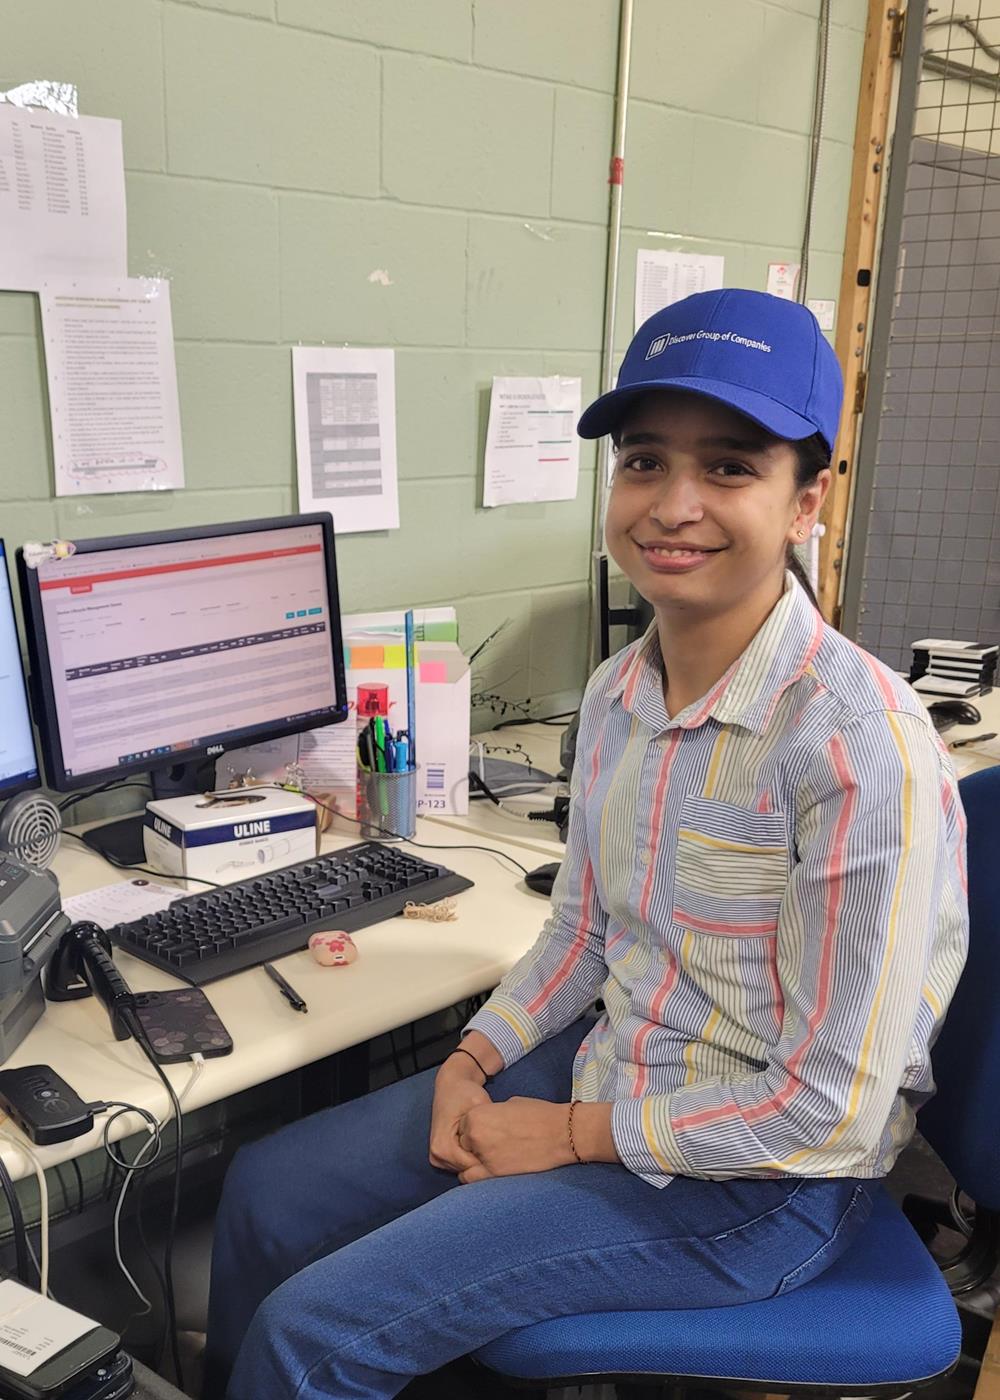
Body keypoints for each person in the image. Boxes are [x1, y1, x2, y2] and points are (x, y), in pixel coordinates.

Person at [204, 289, 968, 1400]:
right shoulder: (618, 692)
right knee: (266, 1192)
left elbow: (831, 1110)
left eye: (729, 467)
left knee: (309, 1334)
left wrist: (565, 1131)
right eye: (645, 461)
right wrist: (471, 1059)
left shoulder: (859, 749)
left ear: (806, 500)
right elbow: (583, 930)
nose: (674, 504)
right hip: (620, 1066)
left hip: (761, 1178)